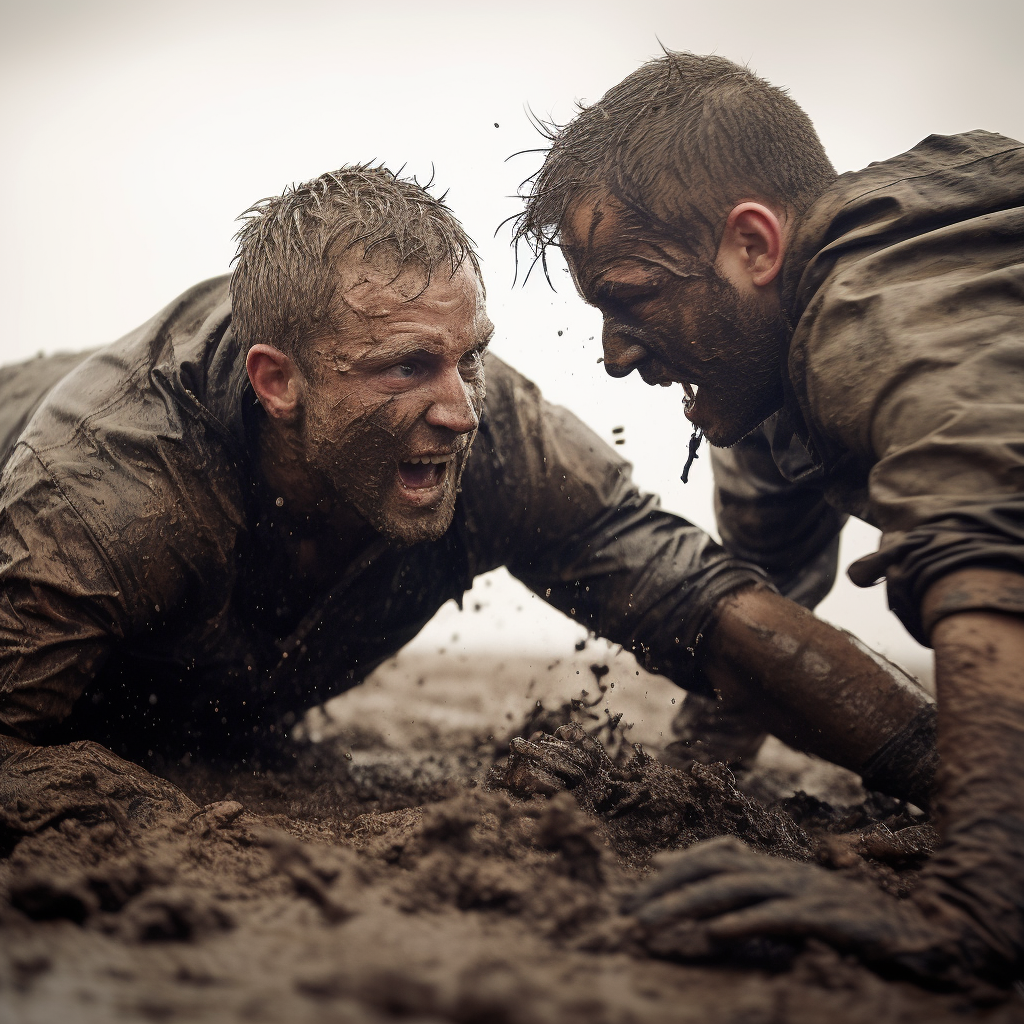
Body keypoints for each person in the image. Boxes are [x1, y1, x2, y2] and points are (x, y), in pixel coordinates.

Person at [0, 164, 934, 851]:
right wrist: (170, 813)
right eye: (408, 365)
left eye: (470, 356)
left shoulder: (494, 439)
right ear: (277, 382)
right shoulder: (109, 490)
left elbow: (710, 606)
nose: (460, 411)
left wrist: (963, 777)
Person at [516, 52, 1024, 985]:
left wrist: (982, 898)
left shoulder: (879, 300)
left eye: (630, 297)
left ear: (753, 247)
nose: (616, 356)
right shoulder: (761, 373)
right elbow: (764, 591)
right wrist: (681, 798)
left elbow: (990, 537)